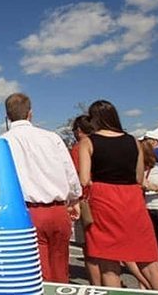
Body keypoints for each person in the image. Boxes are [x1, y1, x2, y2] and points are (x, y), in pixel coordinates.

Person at [79, 100, 158, 290]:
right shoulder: (132, 140)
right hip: (132, 199)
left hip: (103, 199)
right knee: (149, 262)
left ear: (94, 120)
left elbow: (84, 179)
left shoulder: (88, 141)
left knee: (109, 265)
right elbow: (139, 177)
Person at [0, 92, 81, 283]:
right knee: (61, 266)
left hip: (27, 211)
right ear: (30, 114)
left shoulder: (3, 141)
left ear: (7, 116)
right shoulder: (51, 137)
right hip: (58, 208)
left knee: (36, 271)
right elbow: (68, 170)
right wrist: (74, 197)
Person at [69, 114, 100, 285]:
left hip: (86, 199)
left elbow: (76, 177)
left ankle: (97, 284)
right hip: (109, 197)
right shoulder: (103, 144)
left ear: (79, 130)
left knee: (89, 245)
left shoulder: (79, 148)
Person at [142, 129, 158, 262]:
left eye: (147, 141)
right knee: (152, 241)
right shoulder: (143, 165)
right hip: (148, 207)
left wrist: (153, 187)